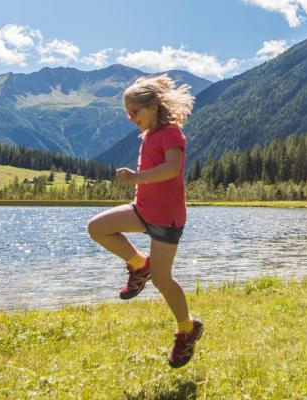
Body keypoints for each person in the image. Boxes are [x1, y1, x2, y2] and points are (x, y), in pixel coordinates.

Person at [86, 74, 203, 368]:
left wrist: (136, 177)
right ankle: (140, 264)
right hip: (142, 209)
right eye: (127, 112)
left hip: (167, 220)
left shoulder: (171, 133)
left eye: (134, 111)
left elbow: (173, 168)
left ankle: (187, 330)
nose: (130, 117)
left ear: (152, 106)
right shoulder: (149, 135)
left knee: (163, 281)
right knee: (97, 228)